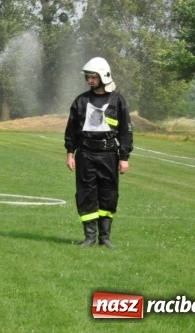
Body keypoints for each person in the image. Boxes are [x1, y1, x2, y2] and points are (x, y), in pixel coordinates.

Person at [64, 57, 133, 248]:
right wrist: (70, 152)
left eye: (92, 77)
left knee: (108, 194)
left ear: (103, 76)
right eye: (88, 77)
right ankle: (89, 237)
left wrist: (124, 157)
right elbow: (72, 129)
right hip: (85, 154)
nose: (89, 81)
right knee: (86, 194)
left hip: (109, 154)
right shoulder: (81, 100)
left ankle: (104, 237)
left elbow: (126, 131)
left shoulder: (117, 101)